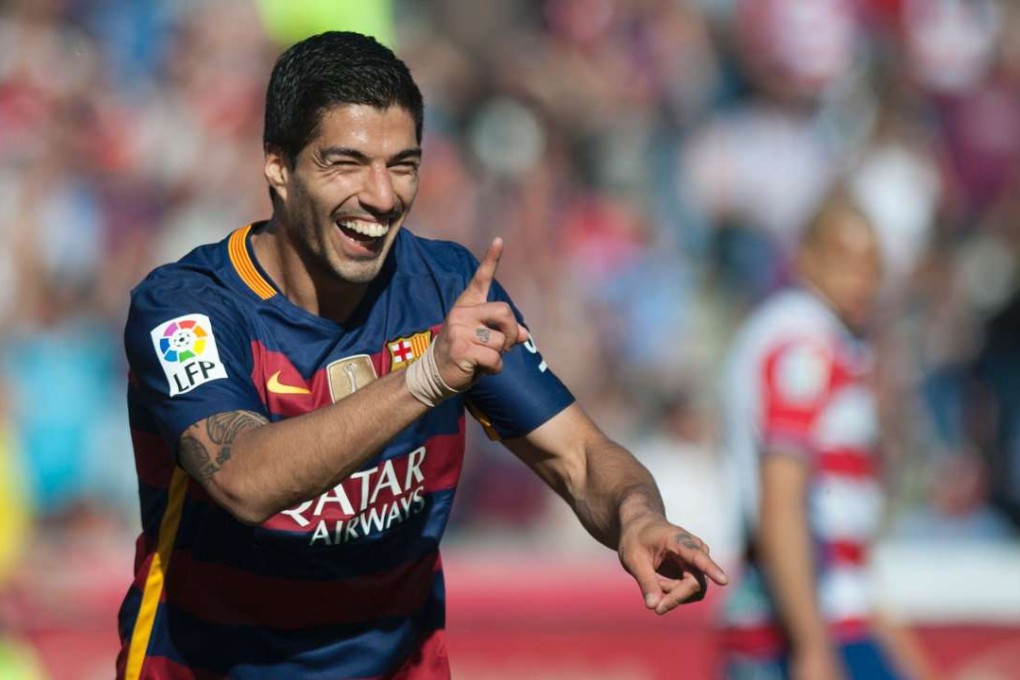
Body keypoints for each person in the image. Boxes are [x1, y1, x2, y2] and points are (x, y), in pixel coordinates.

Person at [115, 31, 726, 680]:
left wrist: (636, 518)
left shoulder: (445, 290)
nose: (382, 197)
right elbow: (243, 480)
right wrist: (427, 376)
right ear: (278, 166)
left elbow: (580, 457)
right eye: (347, 164)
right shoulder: (186, 310)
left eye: (402, 165)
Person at [718, 193, 932, 679]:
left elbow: (845, 550)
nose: (863, 280)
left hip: (830, 621)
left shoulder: (828, 343)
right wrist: (811, 646)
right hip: (800, 630)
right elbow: (782, 497)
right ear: (807, 258)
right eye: (846, 260)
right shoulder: (803, 346)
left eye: (873, 265)